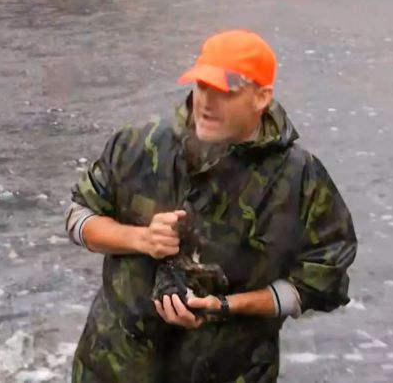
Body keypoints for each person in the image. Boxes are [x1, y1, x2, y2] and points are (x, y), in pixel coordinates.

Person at [64, 29, 357, 382]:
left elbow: (321, 284)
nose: (206, 102)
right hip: (113, 366)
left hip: (232, 371)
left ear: (262, 97)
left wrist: (225, 307)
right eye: (202, 86)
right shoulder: (138, 145)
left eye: (225, 91)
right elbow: (79, 216)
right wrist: (140, 239)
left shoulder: (299, 178)